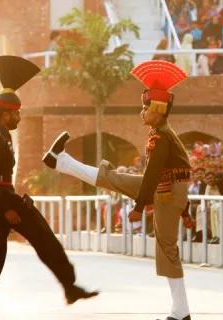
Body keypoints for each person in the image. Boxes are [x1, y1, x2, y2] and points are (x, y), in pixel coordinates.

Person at [43, 60, 193, 320]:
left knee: (167, 249)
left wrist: (138, 207)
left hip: (165, 192)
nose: (141, 113)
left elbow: (157, 175)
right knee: (115, 179)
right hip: (166, 190)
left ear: (158, 110)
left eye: (145, 108)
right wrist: (186, 211)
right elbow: (174, 176)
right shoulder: (164, 133)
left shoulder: (160, 137)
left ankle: (181, 312)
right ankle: (61, 162)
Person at [0, 56, 98, 320]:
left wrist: (10, 204)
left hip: (2, 197)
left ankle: (70, 285)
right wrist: (7, 210)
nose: (20, 118)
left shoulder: (1, 135)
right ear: (5, 114)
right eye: (17, 113)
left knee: (41, 235)